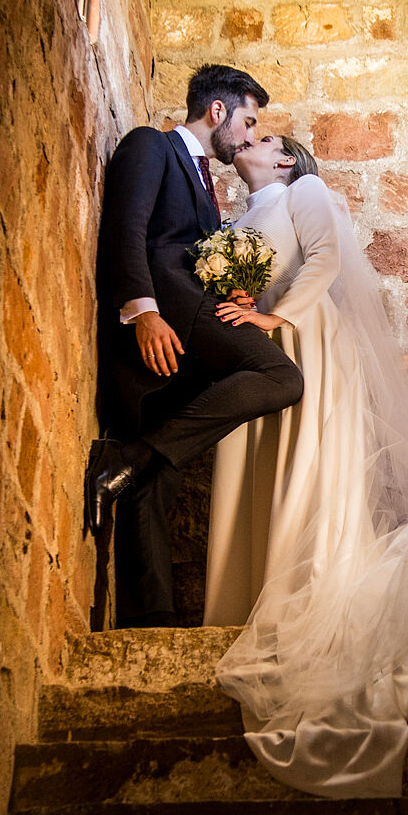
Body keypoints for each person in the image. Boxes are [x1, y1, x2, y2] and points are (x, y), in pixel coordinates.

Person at [204, 134, 408, 798]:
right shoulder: (246, 215)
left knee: (304, 465)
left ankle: (300, 575)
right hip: (264, 340)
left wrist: (274, 313)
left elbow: (326, 261)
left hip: (302, 335)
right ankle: (243, 598)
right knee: (252, 462)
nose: (252, 138)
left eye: (268, 138)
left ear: (287, 161)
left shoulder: (306, 191)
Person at [86, 66, 303, 628]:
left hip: (189, 332)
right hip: (167, 318)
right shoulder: (150, 146)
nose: (250, 134)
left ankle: (149, 620)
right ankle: (127, 458)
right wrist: (144, 313)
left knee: (155, 484)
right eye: (248, 120)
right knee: (283, 377)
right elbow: (126, 231)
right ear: (217, 112)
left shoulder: (208, 190)